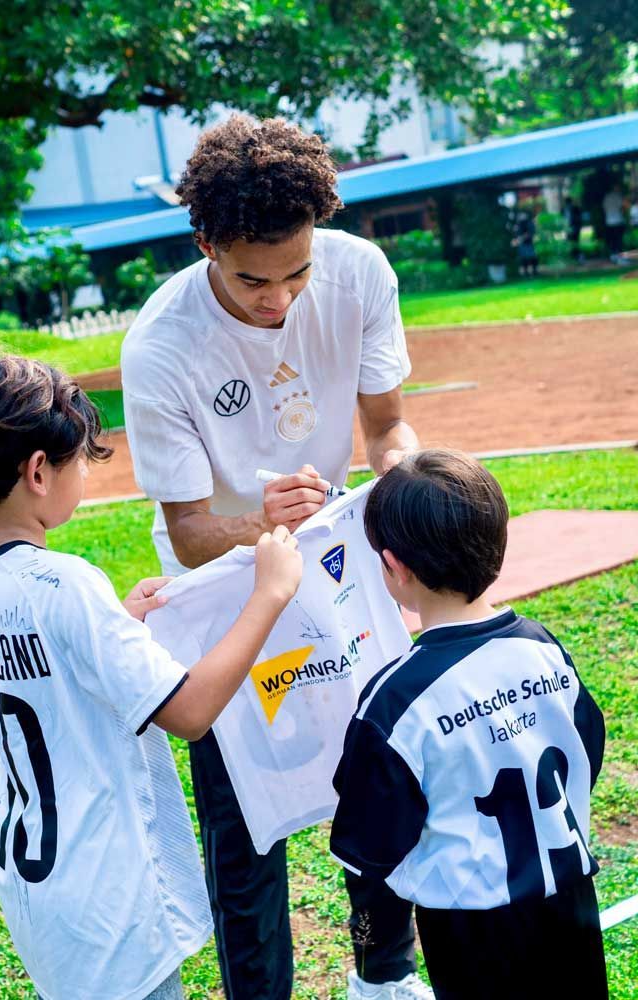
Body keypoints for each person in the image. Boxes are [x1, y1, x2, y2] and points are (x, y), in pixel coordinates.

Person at [121, 114, 426, 1000]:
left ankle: (386, 974)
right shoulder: (162, 344)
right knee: (246, 820)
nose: (280, 299)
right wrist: (264, 526)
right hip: (225, 598)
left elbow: (387, 426)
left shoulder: (360, 271)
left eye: (298, 271)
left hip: (337, 568)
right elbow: (185, 531)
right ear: (207, 243)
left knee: (375, 773)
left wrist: (399, 489)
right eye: (254, 280)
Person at [0, 353, 303, 1000]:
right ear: (39, 471)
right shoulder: (66, 584)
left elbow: (42, 663)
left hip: (37, 878)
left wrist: (115, 623)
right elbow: (191, 711)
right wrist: (269, 594)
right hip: (109, 888)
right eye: (78, 463)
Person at [330, 449, 607, 1000]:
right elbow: (588, 750)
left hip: (472, 929)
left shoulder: (395, 701)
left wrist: (373, 954)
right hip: (570, 903)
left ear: (395, 568)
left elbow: (371, 849)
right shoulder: (544, 650)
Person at [603, 182, 627, 263]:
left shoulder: (606, 197)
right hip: (618, 221)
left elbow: (604, 209)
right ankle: (620, 258)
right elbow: (623, 208)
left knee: (612, 240)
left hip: (609, 221)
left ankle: (613, 256)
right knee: (619, 240)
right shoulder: (619, 196)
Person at [513, 209, 538, 277]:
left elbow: (531, 232)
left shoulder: (529, 223)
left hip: (529, 243)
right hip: (521, 243)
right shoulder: (518, 224)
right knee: (524, 258)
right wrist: (516, 239)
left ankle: (534, 271)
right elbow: (516, 233)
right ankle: (526, 272)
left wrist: (522, 238)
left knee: (532, 257)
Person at [563, 197, 583, 263]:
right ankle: (573, 257)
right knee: (570, 243)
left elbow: (579, 218)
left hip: (575, 228)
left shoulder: (575, 209)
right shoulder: (564, 210)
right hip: (568, 229)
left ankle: (578, 257)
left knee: (575, 243)